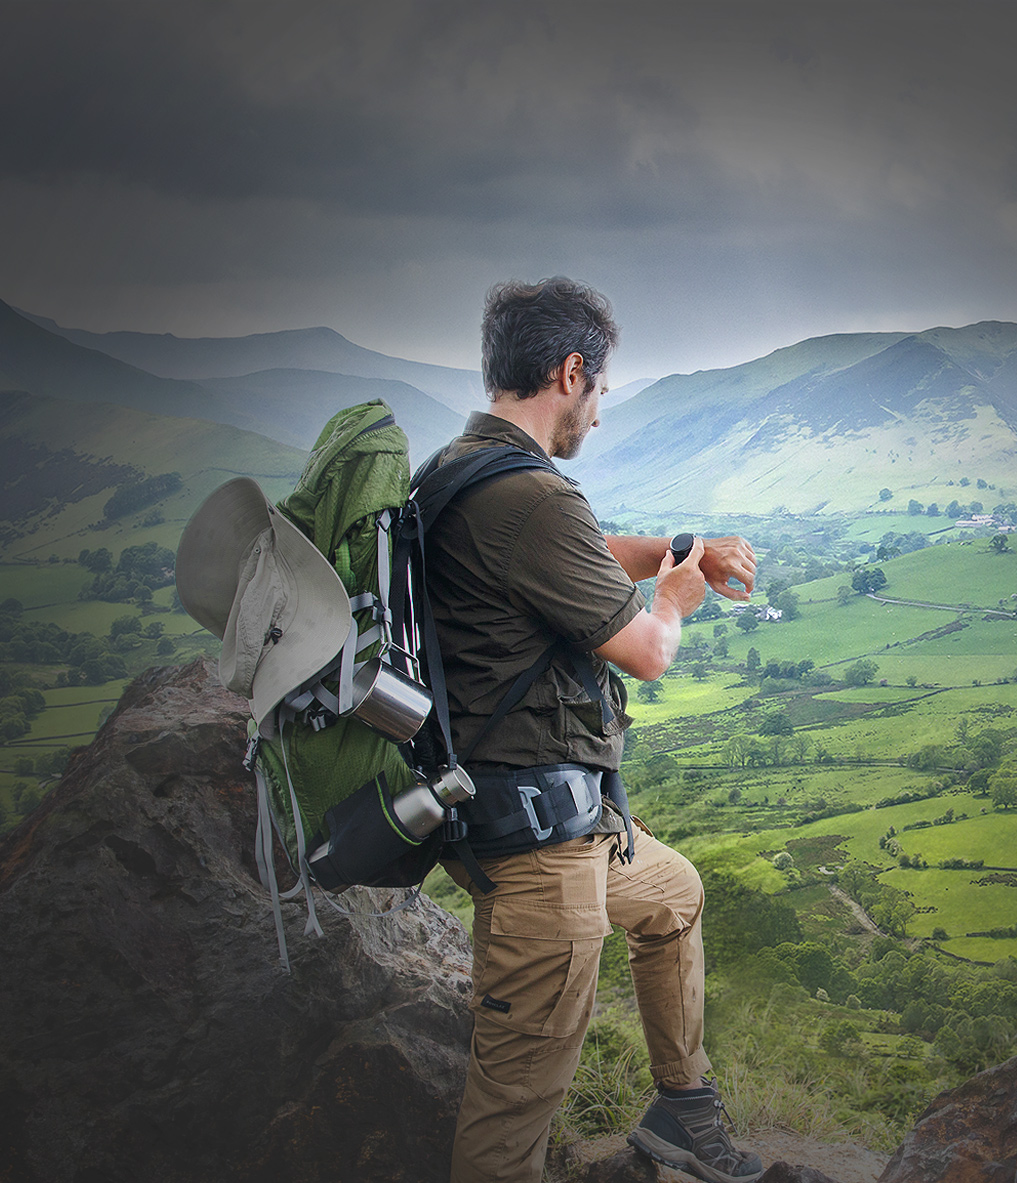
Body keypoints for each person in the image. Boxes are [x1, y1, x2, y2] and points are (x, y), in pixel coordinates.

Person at [427, 277, 766, 1183]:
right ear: (570, 371)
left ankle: (683, 1111)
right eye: (602, 391)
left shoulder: (465, 469)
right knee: (510, 1121)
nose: (600, 414)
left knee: (674, 893)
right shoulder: (532, 496)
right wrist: (678, 594)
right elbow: (649, 649)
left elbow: (567, 554)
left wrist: (675, 546)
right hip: (541, 855)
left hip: (532, 821)